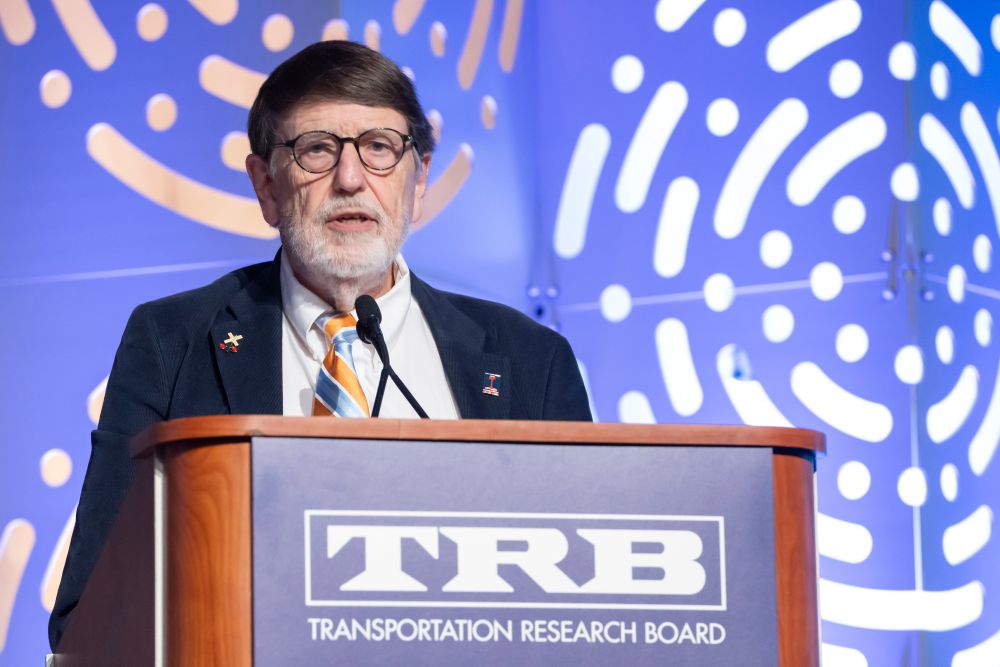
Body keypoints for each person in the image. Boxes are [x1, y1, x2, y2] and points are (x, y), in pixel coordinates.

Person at [49, 40, 591, 648]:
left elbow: (585, 603)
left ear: (418, 182)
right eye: (316, 150)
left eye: (380, 148)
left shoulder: (529, 361)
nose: (351, 180)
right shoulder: (172, 342)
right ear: (266, 186)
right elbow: (89, 613)